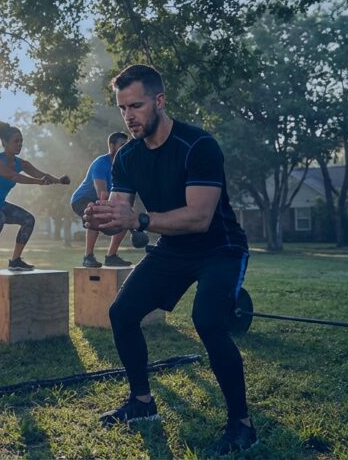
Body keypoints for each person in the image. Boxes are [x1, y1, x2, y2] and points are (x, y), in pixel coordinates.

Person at [84, 64, 255, 454]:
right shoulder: (126, 156)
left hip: (220, 248)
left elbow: (199, 217)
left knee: (208, 321)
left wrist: (139, 219)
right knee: (122, 312)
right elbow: (119, 215)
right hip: (173, 249)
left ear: (160, 101)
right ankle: (142, 403)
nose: (129, 116)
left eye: (137, 106)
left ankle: (242, 424)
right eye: (122, 108)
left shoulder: (199, 146)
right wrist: (101, 219)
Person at [0, 121, 69, 273]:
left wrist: (59, 180)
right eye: (16, 141)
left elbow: (40, 174)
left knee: (28, 219)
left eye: (21, 141)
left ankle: (15, 261)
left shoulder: (22, 163)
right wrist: (38, 182)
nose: (19, 144)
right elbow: (14, 177)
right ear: (5, 143)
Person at [70, 131, 132, 268]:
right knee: (94, 212)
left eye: (126, 145)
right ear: (111, 146)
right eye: (122, 145)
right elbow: (102, 193)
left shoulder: (123, 166)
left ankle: (111, 256)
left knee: (126, 214)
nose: (125, 148)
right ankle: (88, 257)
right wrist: (111, 207)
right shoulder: (101, 163)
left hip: (104, 200)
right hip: (82, 199)